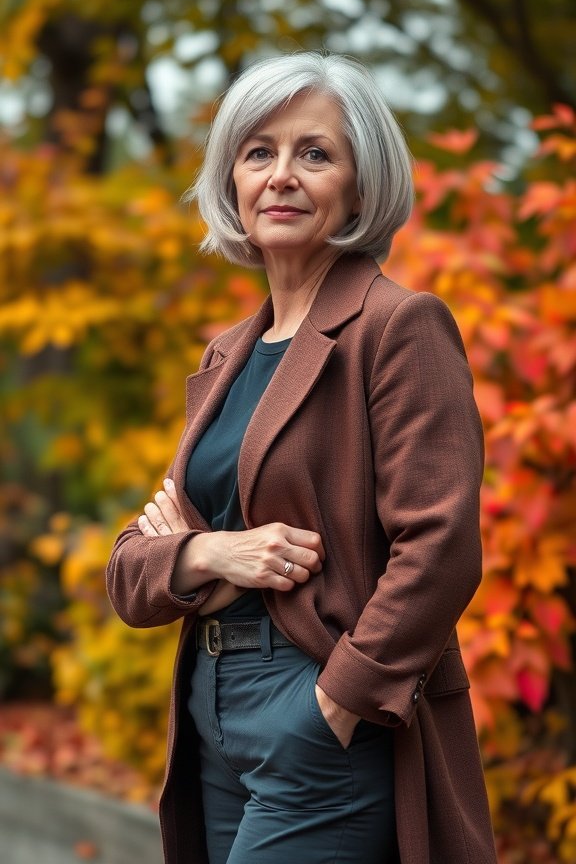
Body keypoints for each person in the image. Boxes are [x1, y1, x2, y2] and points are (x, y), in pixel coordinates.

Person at [106, 51, 497, 864]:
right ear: (232, 183)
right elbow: (131, 573)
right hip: (208, 709)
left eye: (314, 153)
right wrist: (211, 550)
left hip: (316, 710)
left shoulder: (398, 327)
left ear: (361, 186)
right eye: (259, 153)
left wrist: (337, 703)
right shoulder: (226, 358)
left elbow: (441, 548)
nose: (281, 175)